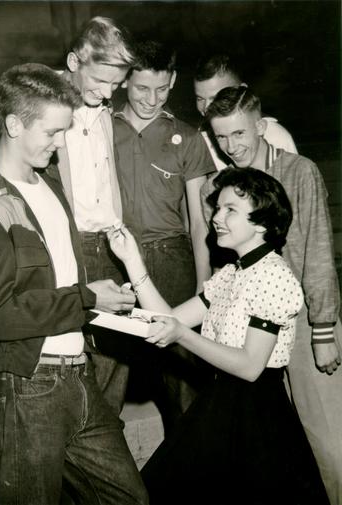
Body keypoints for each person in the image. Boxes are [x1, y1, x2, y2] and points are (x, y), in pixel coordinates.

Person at [0, 63, 148, 505]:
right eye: (52, 132)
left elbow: (57, 277)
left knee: (129, 497)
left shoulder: (50, 187)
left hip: (78, 375)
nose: (60, 144)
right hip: (28, 386)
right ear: (13, 125)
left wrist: (98, 297)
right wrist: (84, 298)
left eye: (66, 130)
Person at [107, 167, 329, 505]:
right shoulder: (231, 274)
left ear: (263, 223)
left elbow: (251, 366)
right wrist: (133, 262)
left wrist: (182, 335)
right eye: (218, 208)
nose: (216, 218)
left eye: (230, 210)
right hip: (220, 402)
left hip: (256, 417)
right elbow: (169, 319)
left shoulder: (274, 277)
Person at [0, 16, 136, 416]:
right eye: (100, 81)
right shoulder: (37, 102)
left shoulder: (106, 108)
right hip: (63, 250)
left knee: (110, 372)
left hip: (109, 245)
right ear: (74, 62)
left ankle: (96, 432)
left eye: (115, 85)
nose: (107, 94)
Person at [202, 85, 342, 504]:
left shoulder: (300, 171)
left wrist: (323, 332)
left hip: (302, 322)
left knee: (329, 446)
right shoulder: (224, 183)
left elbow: (318, 251)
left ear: (261, 127)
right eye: (221, 138)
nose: (231, 147)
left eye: (239, 135)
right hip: (250, 325)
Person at [113, 39, 214, 428]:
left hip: (172, 260)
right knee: (109, 375)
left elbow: (199, 221)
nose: (151, 99)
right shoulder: (101, 129)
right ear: (124, 81)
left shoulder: (187, 138)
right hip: (116, 258)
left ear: (172, 81)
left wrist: (203, 285)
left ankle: (191, 472)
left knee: (182, 380)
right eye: (141, 88)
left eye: (161, 89)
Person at [194, 54, 297, 170]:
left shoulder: (275, 136)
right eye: (200, 99)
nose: (207, 107)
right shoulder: (197, 138)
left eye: (217, 97)